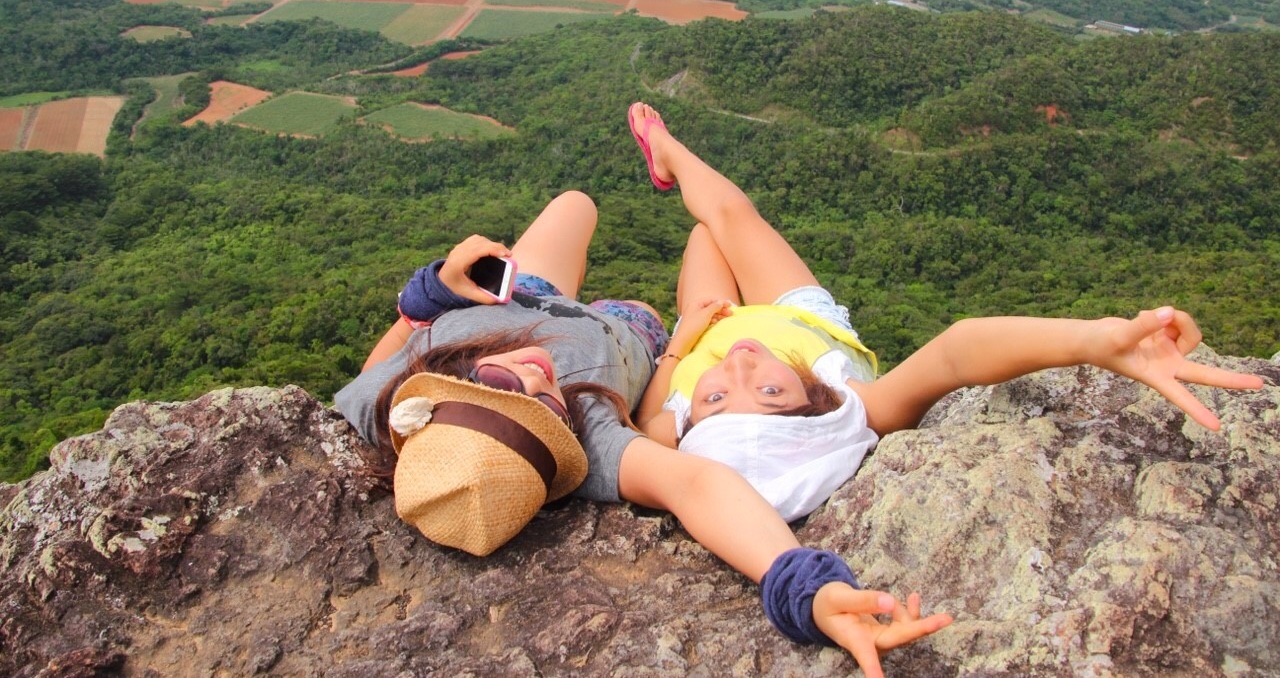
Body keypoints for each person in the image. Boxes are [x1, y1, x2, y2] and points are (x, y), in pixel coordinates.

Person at [333, 190, 951, 677]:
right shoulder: (592, 444)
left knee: (576, 204)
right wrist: (802, 588)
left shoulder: (398, 396)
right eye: (547, 407)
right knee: (648, 309)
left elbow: (370, 375)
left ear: (443, 392)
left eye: (494, 377)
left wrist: (427, 297)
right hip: (629, 336)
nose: (535, 371)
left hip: (517, 297)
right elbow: (699, 486)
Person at [627, 101, 1266, 522]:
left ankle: (672, 161)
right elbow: (959, 350)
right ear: (818, 403)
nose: (740, 368)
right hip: (801, 325)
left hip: (702, 325)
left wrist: (684, 343)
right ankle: (670, 154)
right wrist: (1097, 341)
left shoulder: (683, 428)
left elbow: (652, 413)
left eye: (715, 400)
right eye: (768, 391)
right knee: (730, 218)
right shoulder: (856, 405)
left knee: (709, 232)